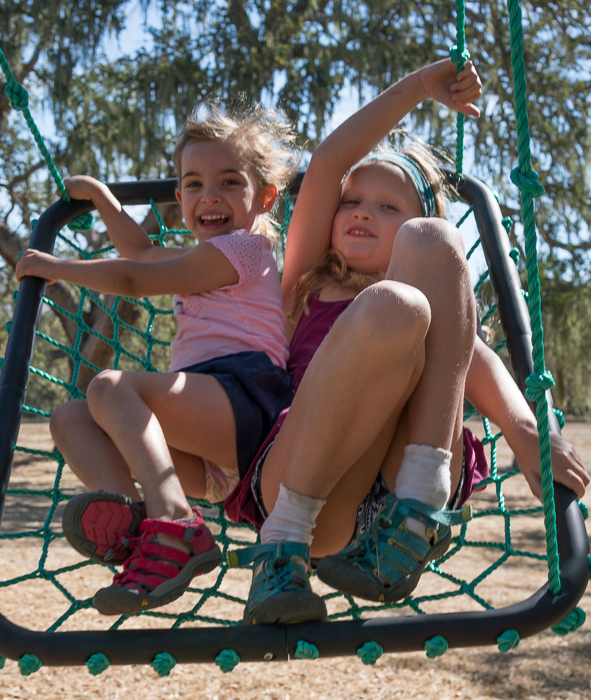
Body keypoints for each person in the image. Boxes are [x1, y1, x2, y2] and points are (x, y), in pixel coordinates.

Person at [220, 57, 589, 625]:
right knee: (394, 307)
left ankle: (420, 507)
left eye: (389, 207)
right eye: (353, 201)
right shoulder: (301, 288)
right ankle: (279, 547)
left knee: (429, 260)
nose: (363, 211)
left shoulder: (435, 295)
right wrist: (419, 87)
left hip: (399, 494)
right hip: (311, 488)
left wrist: (525, 430)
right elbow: (326, 165)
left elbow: (474, 362)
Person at [15, 102, 300, 615]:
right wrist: (104, 199)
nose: (209, 196)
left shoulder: (247, 249)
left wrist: (58, 266)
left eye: (229, 182)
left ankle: (173, 524)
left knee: (107, 387)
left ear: (266, 197)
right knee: (70, 418)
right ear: (179, 196)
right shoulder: (200, 255)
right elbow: (141, 254)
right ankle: (144, 530)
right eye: (193, 184)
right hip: (208, 439)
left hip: (251, 405)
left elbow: (131, 278)